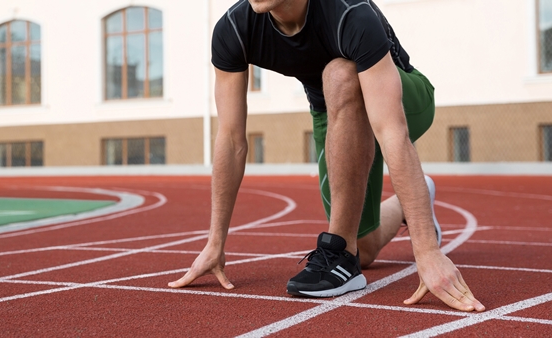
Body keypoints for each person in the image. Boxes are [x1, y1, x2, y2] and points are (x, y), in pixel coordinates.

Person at [169, 0, 485, 312]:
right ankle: (406, 207)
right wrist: (215, 243)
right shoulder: (234, 28)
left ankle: (339, 256)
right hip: (331, 110)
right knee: (365, 248)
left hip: (403, 98)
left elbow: (392, 133)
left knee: (339, 72)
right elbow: (231, 139)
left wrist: (426, 251)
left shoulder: (350, 13)